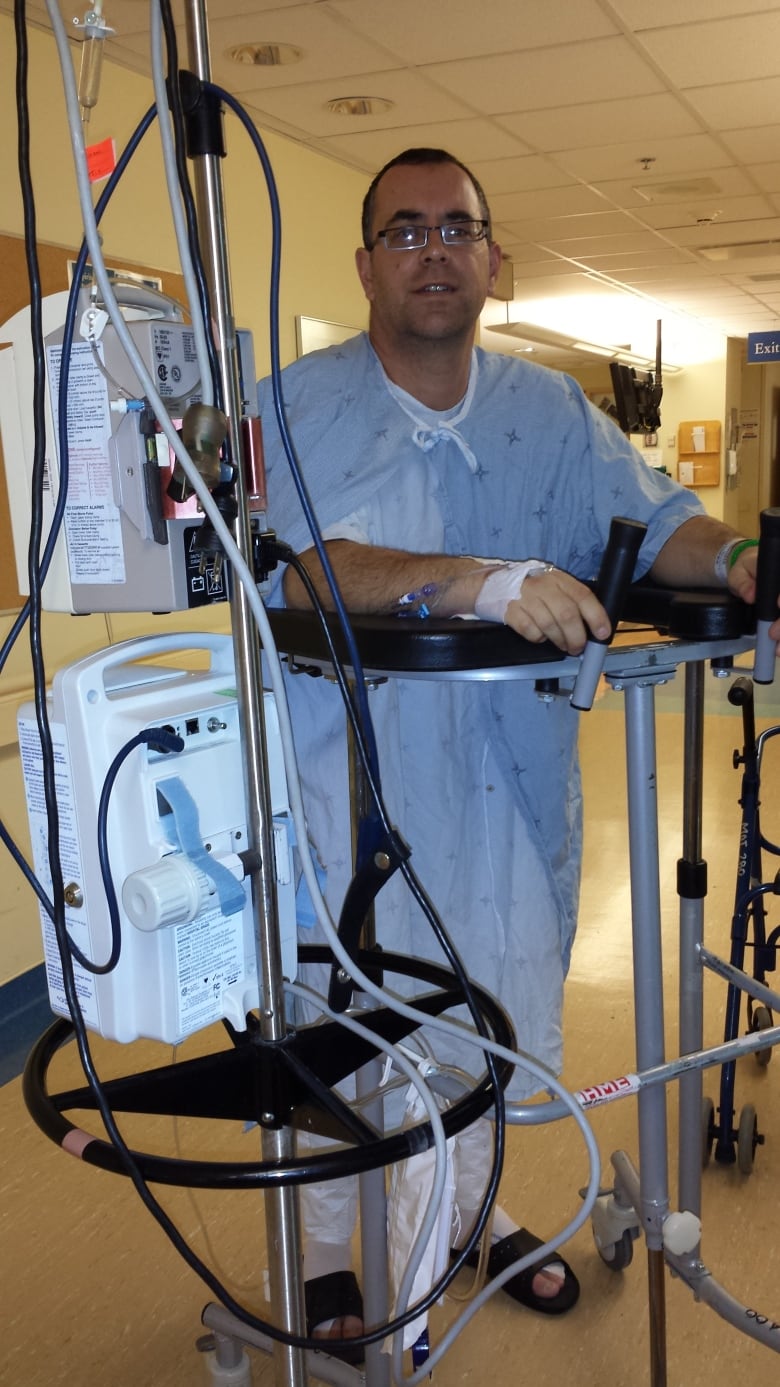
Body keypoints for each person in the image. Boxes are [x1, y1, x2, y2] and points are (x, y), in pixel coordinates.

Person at [257, 147, 770, 1353]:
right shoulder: (292, 403)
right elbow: (307, 564)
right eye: (403, 230)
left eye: (456, 227)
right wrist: (487, 580)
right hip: (343, 796)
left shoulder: (550, 413)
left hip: (506, 791)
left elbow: (660, 525)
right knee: (344, 1047)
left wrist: (745, 563)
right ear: (367, 262)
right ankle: (337, 1268)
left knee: (479, 1036)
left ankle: (466, 1225)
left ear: (493, 257)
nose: (432, 250)